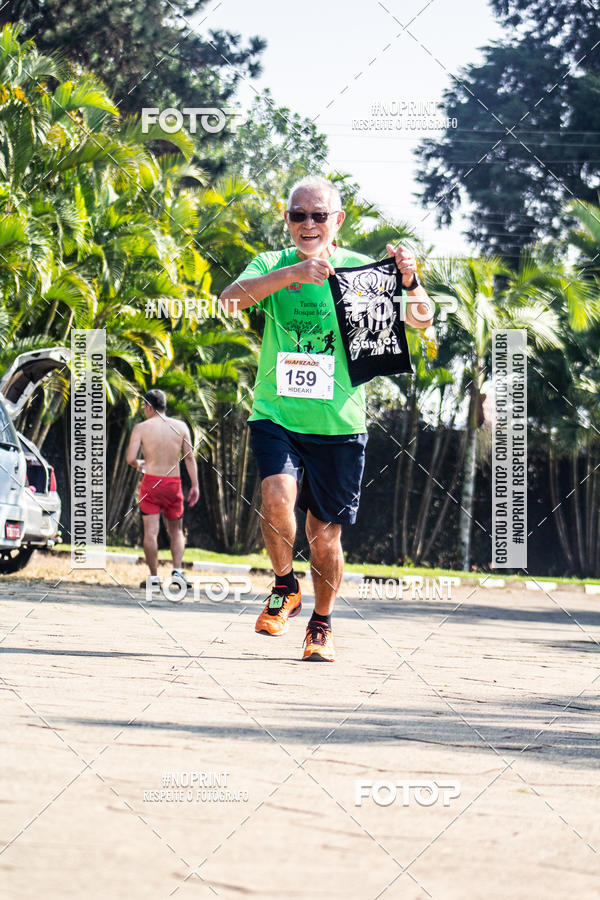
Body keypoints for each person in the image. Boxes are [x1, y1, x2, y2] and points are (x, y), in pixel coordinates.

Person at [220, 176, 434, 661]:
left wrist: (409, 280)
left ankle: (321, 622)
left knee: (324, 536)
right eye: (299, 215)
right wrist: (291, 275)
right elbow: (228, 301)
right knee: (276, 498)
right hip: (276, 414)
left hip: (339, 425)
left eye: (319, 215)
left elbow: (421, 319)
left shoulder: (362, 269)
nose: (309, 224)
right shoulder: (272, 265)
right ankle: (284, 585)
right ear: (287, 220)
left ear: (337, 220)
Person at [125, 389, 199, 597]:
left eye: (144, 406)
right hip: (173, 483)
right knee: (176, 531)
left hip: (151, 482)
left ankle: (154, 577)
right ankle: (177, 572)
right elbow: (189, 458)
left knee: (151, 532)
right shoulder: (181, 427)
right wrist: (195, 485)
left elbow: (130, 458)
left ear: (149, 406)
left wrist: (139, 464)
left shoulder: (141, 428)